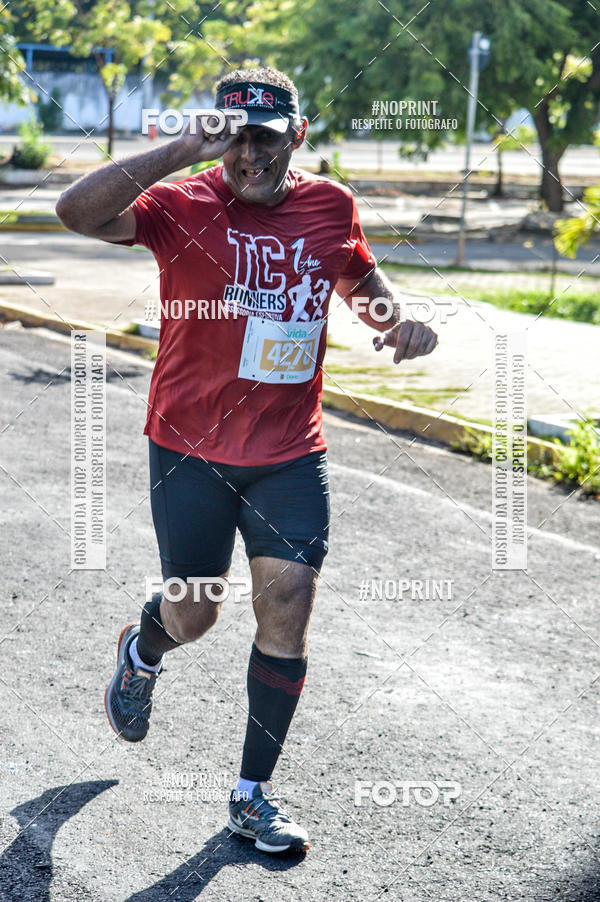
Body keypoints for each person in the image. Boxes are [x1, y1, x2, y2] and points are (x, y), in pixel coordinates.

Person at [56, 66, 438, 854]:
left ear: (297, 135)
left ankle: (250, 797)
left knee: (289, 603)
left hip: (290, 452)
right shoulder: (184, 202)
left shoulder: (330, 204)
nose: (250, 154)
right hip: (190, 449)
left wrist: (396, 323)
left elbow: (353, 272)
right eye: (236, 137)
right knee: (194, 613)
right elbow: (76, 212)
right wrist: (180, 147)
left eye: (267, 137)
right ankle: (144, 648)